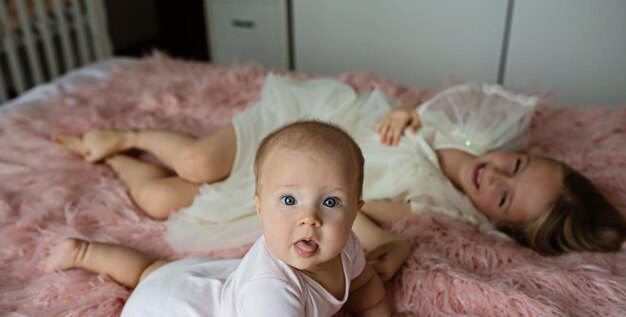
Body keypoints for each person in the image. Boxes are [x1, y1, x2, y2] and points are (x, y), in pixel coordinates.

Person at [0, 121, 416, 317]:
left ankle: (86, 252)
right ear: (258, 206)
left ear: (356, 211)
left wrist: (382, 316)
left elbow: (363, 283)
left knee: (156, 272)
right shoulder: (273, 293)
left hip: (193, 284)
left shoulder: (348, 248)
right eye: (288, 201)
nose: (309, 219)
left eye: (330, 202)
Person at [52, 78, 626, 256]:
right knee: (201, 159)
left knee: (160, 201)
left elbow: (368, 208)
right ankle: (126, 134)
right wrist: (406, 114)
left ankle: (123, 162)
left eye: (503, 197)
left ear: (497, 223)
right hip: (310, 124)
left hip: (305, 183)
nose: (494, 174)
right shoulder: (472, 130)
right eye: (516, 164)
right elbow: (434, 106)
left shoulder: (440, 207)